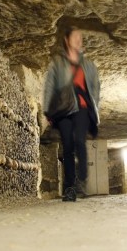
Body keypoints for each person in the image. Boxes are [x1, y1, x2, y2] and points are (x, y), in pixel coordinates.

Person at [43, 27, 100, 202]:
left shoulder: (88, 65)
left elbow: (96, 86)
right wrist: (47, 108)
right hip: (64, 110)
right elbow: (50, 85)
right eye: (75, 36)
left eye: (80, 37)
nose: (79, 39)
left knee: (79, 142)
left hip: (82, 108)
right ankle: (70, 188)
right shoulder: (58, 63)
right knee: (67, 147)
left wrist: (94, 105)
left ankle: (82, 181)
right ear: (67, 40)